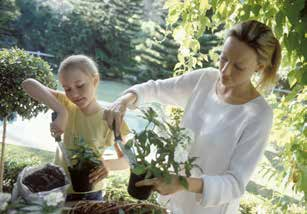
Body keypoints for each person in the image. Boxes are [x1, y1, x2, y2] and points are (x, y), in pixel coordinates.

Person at [103, 20, 281, 213]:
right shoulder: (205, 80)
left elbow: (235, 183)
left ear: (259, 67)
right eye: (223, 58)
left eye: (238, 67)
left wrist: (182, 183)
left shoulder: (259, 115)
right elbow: (155, 89)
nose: (225, 70)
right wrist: (123, 101)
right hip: (172, 205)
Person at [22, 55, 130, 201]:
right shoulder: (66, 104)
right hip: (57, 188)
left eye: (80, 86)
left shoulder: (111, 118)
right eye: (67, 89)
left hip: (90, 193)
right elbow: (28, 84)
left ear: (95, 80)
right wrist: (61, 111)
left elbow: (128, 159)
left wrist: (108, 165)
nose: (74, 94)